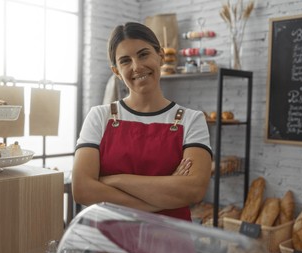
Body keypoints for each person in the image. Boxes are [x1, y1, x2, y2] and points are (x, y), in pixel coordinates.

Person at [72, 22, 212, 221]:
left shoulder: (191, 120)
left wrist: (114, 180)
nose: (137, 67)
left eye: (144, 54)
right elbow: (82, 189)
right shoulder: (99, 117)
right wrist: (164, 193)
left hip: (171, 243)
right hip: (109, 246)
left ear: (161, 56)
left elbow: (194, 189)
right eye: (125, 61)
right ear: (116, 71)